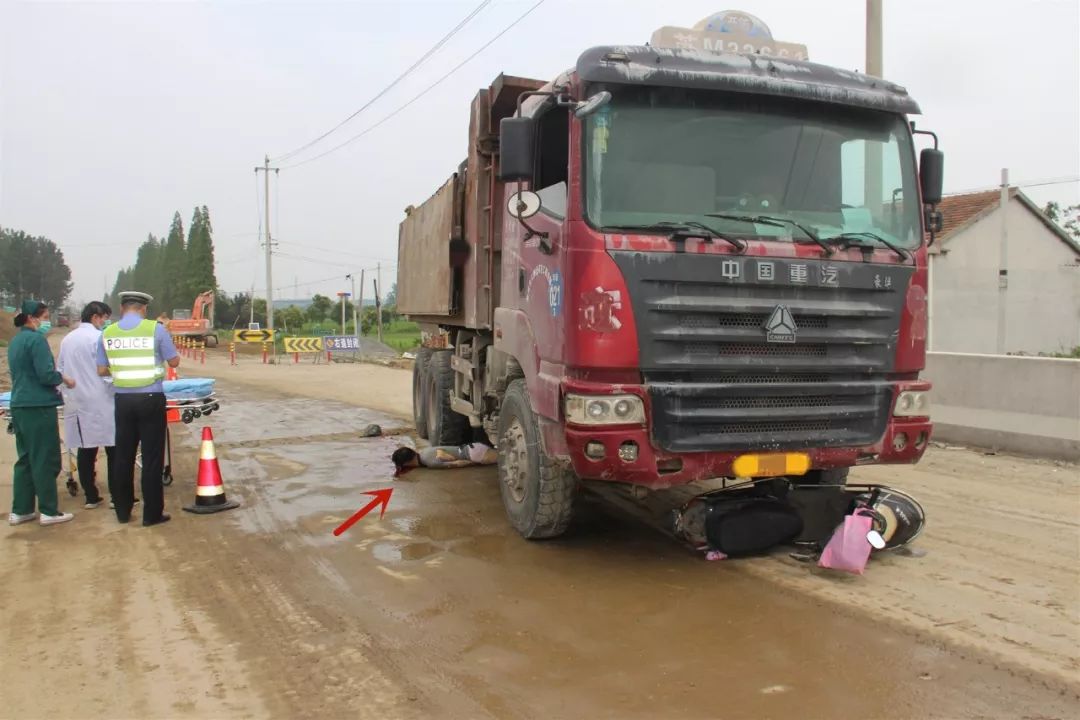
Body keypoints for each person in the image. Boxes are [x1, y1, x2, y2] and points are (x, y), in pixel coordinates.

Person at [97, 291, 180, 526]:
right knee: (152, 458)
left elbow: (101, 370)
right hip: (151, 398)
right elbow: (173, 361)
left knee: (123, 456)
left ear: (122, 309)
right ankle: (152, 514)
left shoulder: (107, 332)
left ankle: (122, 513)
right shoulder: (155, 329)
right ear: (144, 309)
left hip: (122, 400)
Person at [7, 299, 76, 527]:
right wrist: (63, 378)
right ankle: (48, 510)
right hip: (38, 406)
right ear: (32, 317)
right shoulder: (37, 341)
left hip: (20, 405)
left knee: (26, 458)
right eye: (45, 317)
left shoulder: (16, 341)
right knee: (45, 458)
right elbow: (46, 374)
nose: (47, 322)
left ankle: (21, 510)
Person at [57, 301, 116, 509]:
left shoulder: (68, 339)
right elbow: (108, 368)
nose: (105, 322)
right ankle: (117, 497)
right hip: (101, 399)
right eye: (104, 318)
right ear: (95, 317)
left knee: (85, 448)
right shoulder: (99, 338)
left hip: (77, 399)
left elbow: (60, 370)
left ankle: (91, 496)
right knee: (113, 448)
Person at [391, 442, 497, 477]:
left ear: (408, 463)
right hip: (474, 446)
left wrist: (476, 463)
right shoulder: (424, 451)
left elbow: (459, 463)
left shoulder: (431, 463)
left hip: (474, 455)